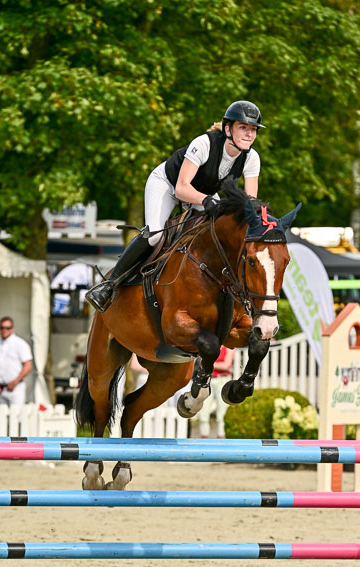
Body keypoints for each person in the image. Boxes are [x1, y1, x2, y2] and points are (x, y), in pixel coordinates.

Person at [86, 100, 264, 313]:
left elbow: (250, 203)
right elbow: (181, 188)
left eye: (253, 129)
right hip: (168, 184)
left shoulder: (251, 158)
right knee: (154, 235)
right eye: (243, 127)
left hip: (202, 193)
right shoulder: (205, 143)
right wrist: (208, 201)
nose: (249, 134)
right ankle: (110, 284)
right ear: (228, 128)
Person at [0, 317, 33, 406]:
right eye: (2, 328)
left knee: (16, 416)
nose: (4, 330)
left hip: (16, 388)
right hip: (0, 389)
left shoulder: (20, 344)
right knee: (1, 416)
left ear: (12, 328)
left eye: (7, 328)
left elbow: (28, 365)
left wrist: (15, 382)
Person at [198, 346, 235, 438]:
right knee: (203, 410)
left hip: (222, 380)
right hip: (207, 379)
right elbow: (202, 363)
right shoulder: (208, 345)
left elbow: (226, 365)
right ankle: (204, 438)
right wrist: (217, 365)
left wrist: (209, 364)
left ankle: (221, 437)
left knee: (222, 413)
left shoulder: (229, 347)